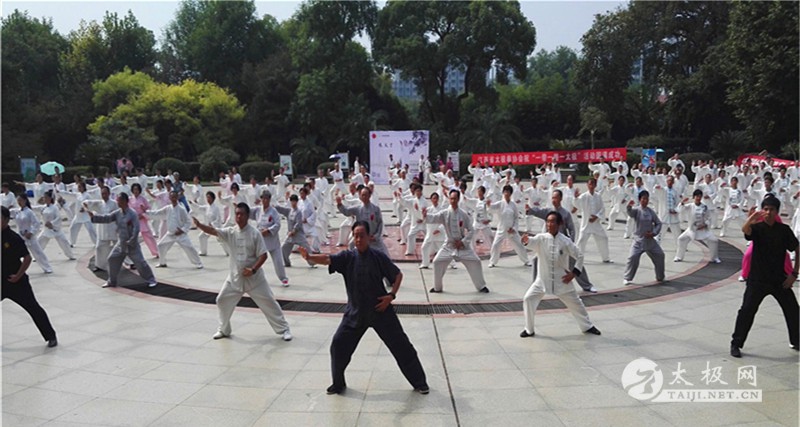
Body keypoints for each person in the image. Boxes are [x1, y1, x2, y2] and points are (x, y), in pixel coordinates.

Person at [299, 221, 429, 395]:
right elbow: (328, 259)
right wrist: (309, 257)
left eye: (362, 235)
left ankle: (420, 382)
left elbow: (397, 275)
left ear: (369, 237)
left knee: (402, 346)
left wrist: (391, 296)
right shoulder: (348, 258)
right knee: (338, 345)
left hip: (381, 312)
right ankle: (338, 384)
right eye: (356, 236)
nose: (359, 239)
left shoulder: (378, 257)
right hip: (355, 313)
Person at [193, 203, 293, 341]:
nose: (239, 217)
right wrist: (199, 225)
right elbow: (214, 231)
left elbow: (263, 255)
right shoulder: (230, 232)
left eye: (241, 214)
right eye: (237, 214)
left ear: (247, 216)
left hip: (255, 279)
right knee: (222, 300)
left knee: (269, 303)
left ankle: (284, 329)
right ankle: (224, 329)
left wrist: (253, 270)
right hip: (235, 278)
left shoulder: (255, 233)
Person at [730, 195, 799, 357]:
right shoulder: (757, 228)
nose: (768, 212)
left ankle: (796, 341)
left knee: (793, 310)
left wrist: (794, 274)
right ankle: (736, 344)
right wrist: (751, 219)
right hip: (757, 280)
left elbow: (798, 249)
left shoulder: (784, 230)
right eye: (766, 209)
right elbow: (745, 231)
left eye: (772, 209)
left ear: (777, 212)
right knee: (746, 311)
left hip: (779, 280)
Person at [519, 211, 601, 338]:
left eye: (552, 222)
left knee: (576, 304)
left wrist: (574, 273)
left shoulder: (565, 241)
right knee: (528, 299)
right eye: (548, 221)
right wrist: (526, 241)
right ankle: (529, 329)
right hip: (542, 280)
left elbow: (579, 256)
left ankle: (587, 326)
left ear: (559, 224)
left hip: (562, 280)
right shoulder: (541, 238)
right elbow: (531, 242)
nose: (549, 224)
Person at [2, 207, 58, 347]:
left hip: (16, 282)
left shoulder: (13, 238)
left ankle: (51, 336)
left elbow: (27, 258)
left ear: (6, 220)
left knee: (33, 308)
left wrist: (18, 276)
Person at [526, 189, 597, 293]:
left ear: (560, 199)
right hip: (547, 243)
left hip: (562, 244)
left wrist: (570, 243)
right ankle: (536, 286)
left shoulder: (565, 213)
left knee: (574, 261)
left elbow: (572, 229)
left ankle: (587, 285)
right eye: (552, 198)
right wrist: (530, 210)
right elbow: (538, 211)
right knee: (536, 259)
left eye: (556, 198)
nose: (554, 200)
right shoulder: (548, 211)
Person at [423, 189, 490, 293]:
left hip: (463, 247)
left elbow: (471, 230)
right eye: (451, 199)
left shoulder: (464, 214)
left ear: (458, 199)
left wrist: (463, 242)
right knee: (437, 262)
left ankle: (481, 286)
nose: (453, 201)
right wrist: (425, 215)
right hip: (449, 245)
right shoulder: (445, 213)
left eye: (455, 199)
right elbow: (434, 218)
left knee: (476, 261)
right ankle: (437, 287)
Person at [88, 192, 158, 288]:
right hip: (121, 244)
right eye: (117, 200)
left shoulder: (132, 213)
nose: (118, 202)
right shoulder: (117, 213)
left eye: (119, 200)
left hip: (132, 245)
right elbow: (107, 218)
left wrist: (132, 240)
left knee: (140, 263)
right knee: (112, 259)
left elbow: (136, 229)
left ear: (125, 201)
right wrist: (94, 217)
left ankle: (151, 280)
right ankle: (112, 281)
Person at [150, 191, 203, 269]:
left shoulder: (181, 209)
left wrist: (182, 230)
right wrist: (146, 212)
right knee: (160, 245)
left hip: (181, 234)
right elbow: (157, 213)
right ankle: (162, 263)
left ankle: (198, 263)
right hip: (170, 234)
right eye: (172, 197)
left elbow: (188, 222)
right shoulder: (168, 208)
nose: (173, 199)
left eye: (175, 197)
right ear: (169, 198)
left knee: (190, 248)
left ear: (177, 197)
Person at [623, 191, 666, 286]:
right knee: (632, 257)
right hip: (638, 241)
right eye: (643, 199)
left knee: (660, 255)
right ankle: (627, 278)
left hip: (650, 241)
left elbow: (658, 223)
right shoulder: (637, 210)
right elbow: (630, 213)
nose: (645, 201)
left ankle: (660, 276)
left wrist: (653, 233)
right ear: (640, 200)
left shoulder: (651, 211)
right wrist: (629, 207)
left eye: (647, 199)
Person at [250, 190, 289, 286]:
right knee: (254, 259)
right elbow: (248, 211)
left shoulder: (273, 211)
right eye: (263, 199)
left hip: (272, 240)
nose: (265, 201)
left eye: (266, 199)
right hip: (261, 240)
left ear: (269, 199)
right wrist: (240, 206)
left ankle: (283, 278)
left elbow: (277, 224)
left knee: (278, 261)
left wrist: (268, 230)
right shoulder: (258, 210)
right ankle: (252, 277)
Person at [487, 185, 531, 268]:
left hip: (511, 230)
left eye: (508, 192)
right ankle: (492, 262)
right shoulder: (500, 203)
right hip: (501, 229)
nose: (506, 193)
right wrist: (489, 204)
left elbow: (516, 218)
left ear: (511, 194)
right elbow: (492, 208)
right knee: (495, 245)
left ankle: (526, 260)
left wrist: (514, 228)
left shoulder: (513, 205)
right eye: (505, 192)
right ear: (503, 193)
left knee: (519, 245)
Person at [576, 178, 612, 263]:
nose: (591, 186)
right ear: (587, 185)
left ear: (595, 185)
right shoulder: (583, 196)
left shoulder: (598, 196)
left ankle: (605, 258)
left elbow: (602, 208)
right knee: (581, 240)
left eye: (593, 184)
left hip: (596, 223)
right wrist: (575, 197)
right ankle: (577, 258)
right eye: (590, 184)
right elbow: (576, 204)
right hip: (586, 223)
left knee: (604, 238)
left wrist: (596, 217)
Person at [15, 194, 52, 274]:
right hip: (21, 235)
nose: (19, 202)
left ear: (25, 201)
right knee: (16, 252)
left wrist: (31, 232)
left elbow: (36, 223)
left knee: (38, 252)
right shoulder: (17, 211)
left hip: (29, 236)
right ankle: (16, 269)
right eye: (18, 200)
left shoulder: (29, 212)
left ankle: (47, 267)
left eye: (20, 200)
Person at [83, 187, 117, 272]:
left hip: (113, 228)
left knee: (119, 247)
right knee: (99, 247)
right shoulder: (99, 203)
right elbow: (86, 203)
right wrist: (87, 209)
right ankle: (100, 265)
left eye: (105, 193)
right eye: (102, 194)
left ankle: (130, 262)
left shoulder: (114, 203)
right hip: (102, 229)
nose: (104, 195)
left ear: (109, 194)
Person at [36, 191, 75, 261]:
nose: (44, 199)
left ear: (50, 198)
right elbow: (35, 209)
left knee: (64, 242)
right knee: (39, 241)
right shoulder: (43, 207)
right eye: (44, 197)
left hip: (56, 229)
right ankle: (37, 256)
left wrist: (52, 223)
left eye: (46, 197)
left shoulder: (55, 208)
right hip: (46, 229)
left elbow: (58, 218)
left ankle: (71, 255)